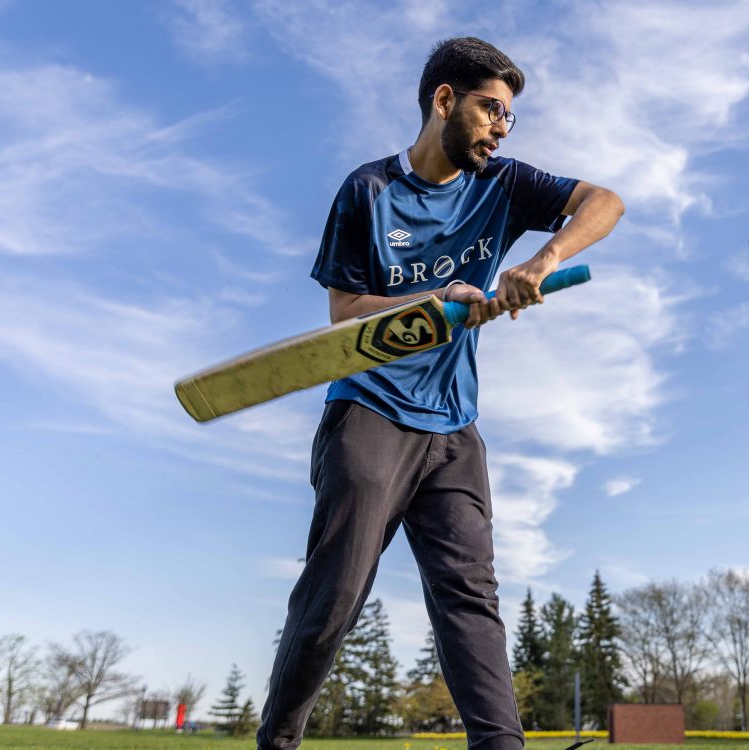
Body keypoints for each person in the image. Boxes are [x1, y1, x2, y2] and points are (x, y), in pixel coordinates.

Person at [257, 36, 624, 750]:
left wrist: (543, 257)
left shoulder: (505, 184)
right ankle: (278, 740)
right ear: (444, 101)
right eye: (491, 109)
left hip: (455, 427)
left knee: (470, 597)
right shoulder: (368, 190)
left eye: (510, 117)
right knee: (336, 593)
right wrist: (440, 297)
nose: (501, 127)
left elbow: (604, 202)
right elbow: (346, 313)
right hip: (369, 412)